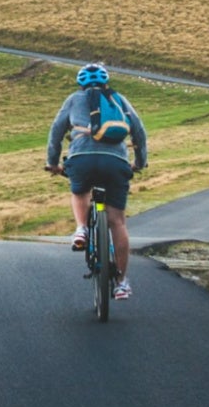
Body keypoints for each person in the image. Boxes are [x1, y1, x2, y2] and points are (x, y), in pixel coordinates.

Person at [46, 63, 148, 299]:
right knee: (118, 222)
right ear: (106, 82)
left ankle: (81, 229)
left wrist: (53, 163)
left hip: (82, 158)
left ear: (81, 84)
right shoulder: (119, 100)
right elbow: (139, 132)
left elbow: (56, 131)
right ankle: (122, 282)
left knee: (80, 190)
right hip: (116, 162)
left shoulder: (73, 100)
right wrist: (140, 163)